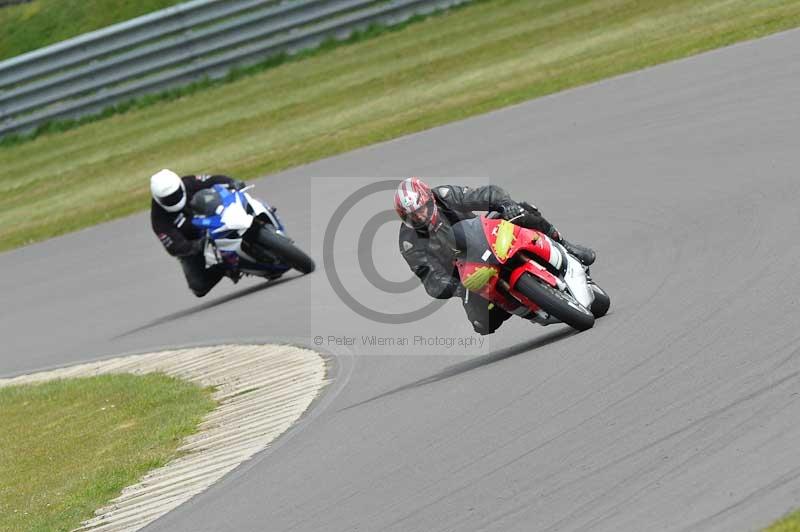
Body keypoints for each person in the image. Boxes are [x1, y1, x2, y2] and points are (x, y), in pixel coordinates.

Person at [394, 177, 595, 335]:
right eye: (412, 216)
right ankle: (522, 303)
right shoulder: (409, 241)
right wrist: (457, 288)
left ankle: (565, 245)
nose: (420, 217)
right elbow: (430, 279)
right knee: (482, 324)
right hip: (467, 274)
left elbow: (483, 194)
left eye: (422, 209)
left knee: (523, 211)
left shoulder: (445, 195)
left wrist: (505, 204)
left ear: (430, 199)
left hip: (484, 238)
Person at [150, 169, 245, 297]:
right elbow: (174, 247)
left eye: (175, 194)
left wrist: (231, 182)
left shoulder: (188, 182)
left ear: (180, 186)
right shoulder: (158, 219)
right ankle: (225, 267)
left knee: (239, 199)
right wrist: (197, 245)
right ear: (158, 199)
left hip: (215, 215)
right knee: (198, 286)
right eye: (168, 199)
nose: (173, 199)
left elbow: (211, 180)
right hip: (195, 240)